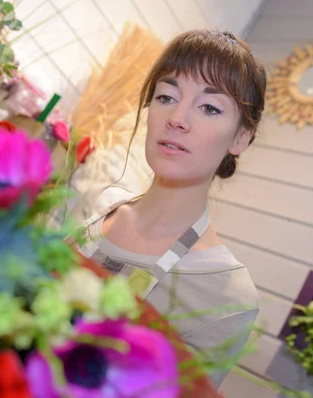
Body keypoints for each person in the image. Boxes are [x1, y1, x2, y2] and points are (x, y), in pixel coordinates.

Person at [68, 29, 266, 387]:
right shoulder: (91, 205)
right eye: (166, 96)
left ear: (240, 138)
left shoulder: (227, 296)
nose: (177, 118)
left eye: (209, 107)